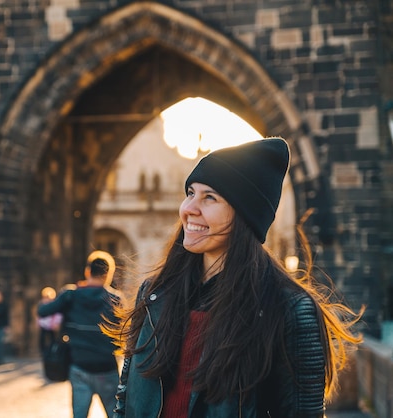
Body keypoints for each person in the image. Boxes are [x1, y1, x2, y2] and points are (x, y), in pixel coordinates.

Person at [109, 137, 363, 417]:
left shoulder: (289, 310)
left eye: (210, 198)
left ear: (245, 215)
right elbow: (125, 400)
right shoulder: (155, 293)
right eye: (190, 193)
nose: (189, 209)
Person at [38, 251, 120, 418]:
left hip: (79, 366)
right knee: (116, 415)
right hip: (107, 368)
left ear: (87, 271)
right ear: (108, 274)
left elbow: (43, 311)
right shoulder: (115, 299)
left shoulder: (71, 295)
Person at [37, 287, 63, 357]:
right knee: (42, 338)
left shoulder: (53, 303)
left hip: (51, 324)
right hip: (44, 324)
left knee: (52, 338)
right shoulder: (41, 303)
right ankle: (44, 351)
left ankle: (52, 351)